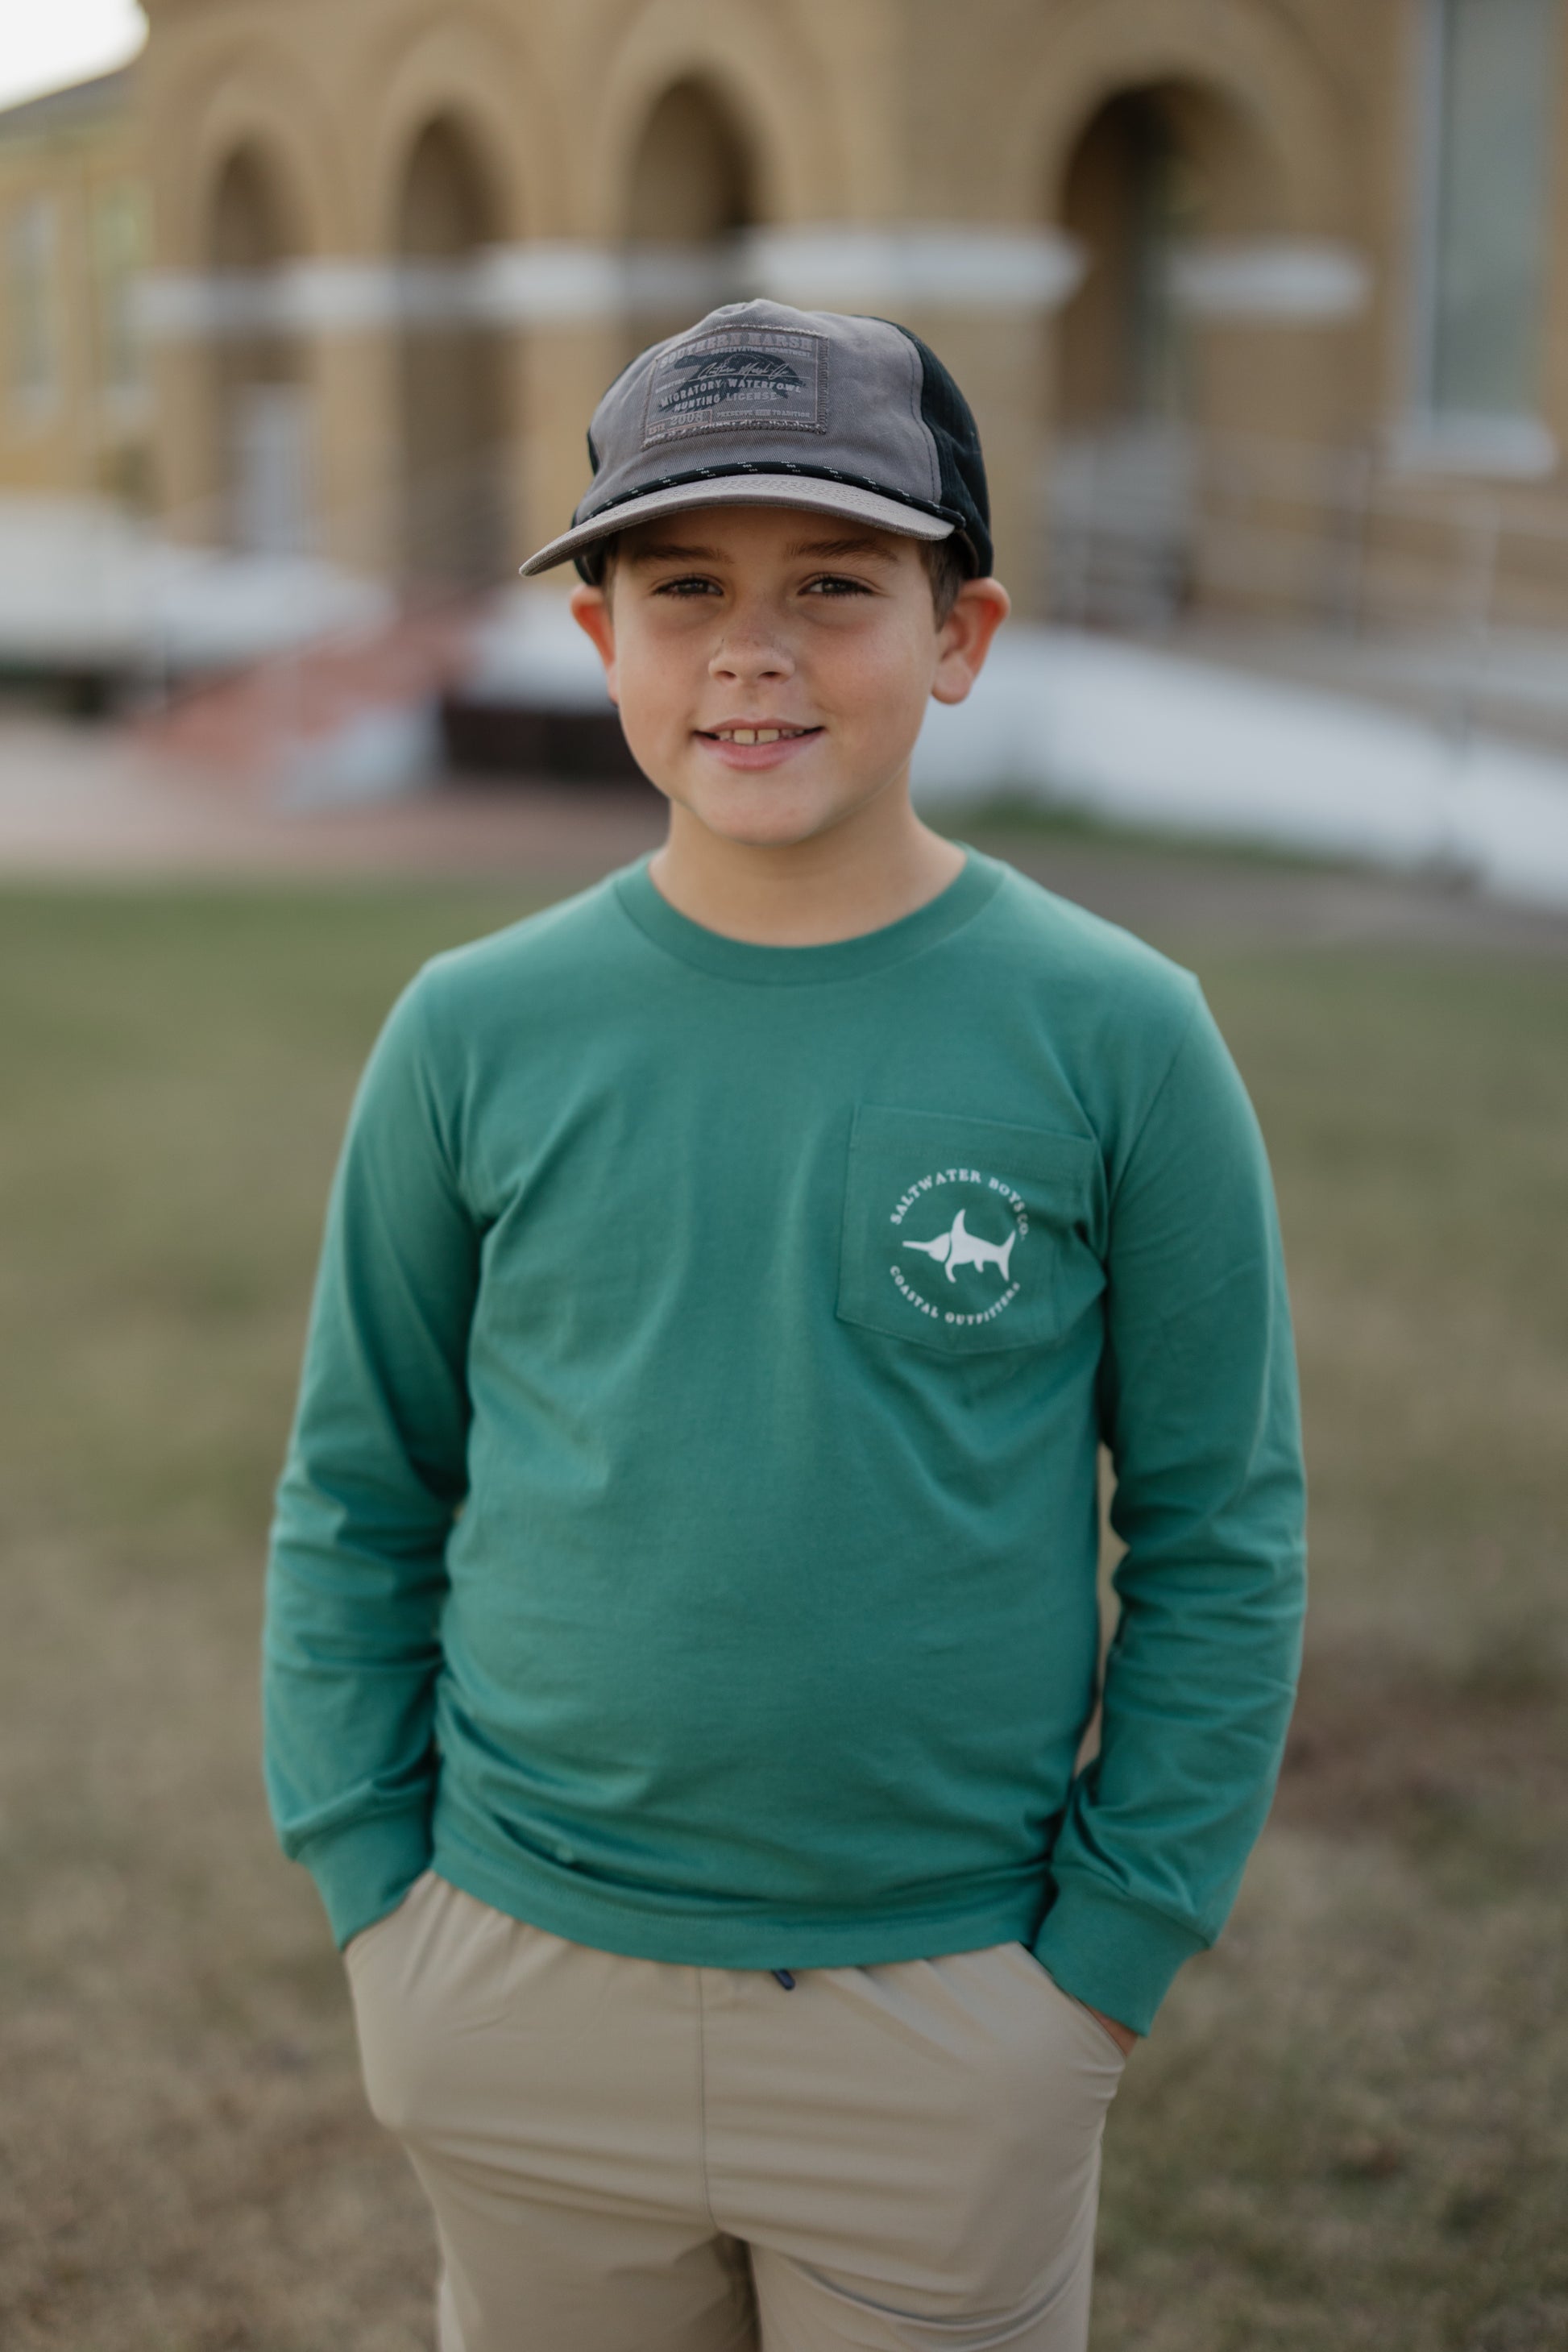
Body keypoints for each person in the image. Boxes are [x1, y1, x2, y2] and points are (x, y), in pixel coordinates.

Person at [263, 299, 1307, 2352]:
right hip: (514, 1984)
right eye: (683, 589)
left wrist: (1092, 1968)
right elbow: (359, 1487)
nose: (752, 648)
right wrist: (378, 1898)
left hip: (944, 2013)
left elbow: (1218, 1532)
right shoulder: (474, 1031)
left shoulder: (1117, 1036)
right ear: (599, 644)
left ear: (960, 634)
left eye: (833, 585)